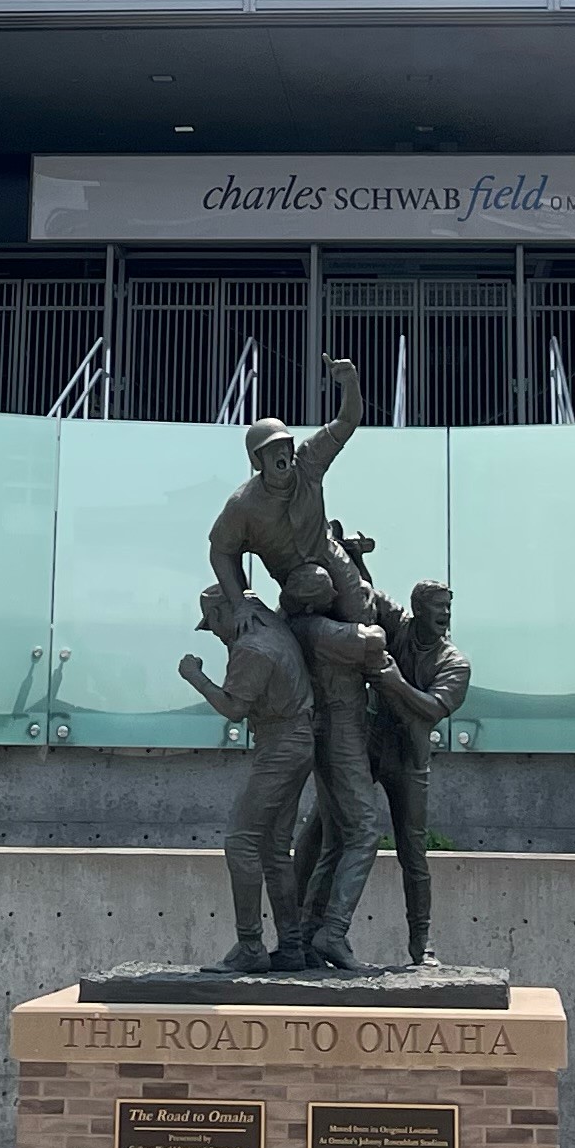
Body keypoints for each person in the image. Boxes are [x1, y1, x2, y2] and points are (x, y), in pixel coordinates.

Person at [289, 579, 472, 963]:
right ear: (418, 608)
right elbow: (363, 591)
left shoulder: (454, 662)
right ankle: (305, 933)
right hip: (367, 747)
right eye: (438, 606)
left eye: (448, 608)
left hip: (409, 759)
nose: (445, 615)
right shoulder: (400, 627)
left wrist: (395, 683)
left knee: (413, 853)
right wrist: (349, 553)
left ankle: (420, 944)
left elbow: (432, 710)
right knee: (326, 832)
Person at [175, 579, 314, 971]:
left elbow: (234, 708)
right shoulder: (271, 628)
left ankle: (251, 947)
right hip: (295, 742)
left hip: (282, 747)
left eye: (212, 623)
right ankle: (291, 947)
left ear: (223, 613)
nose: (215, 633)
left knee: (241, 842)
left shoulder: (252, 647)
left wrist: (195, 677)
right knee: (273, 850)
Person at [273, 560, 396, 970]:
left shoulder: (303, 624)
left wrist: (358, 564)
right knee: (365, 832)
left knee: (334, 839)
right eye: (327, 593)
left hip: (331, 732)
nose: (335, 597)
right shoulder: (317, 630)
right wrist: (358, 589)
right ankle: (334, 931)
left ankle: (308, 933)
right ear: (311, 603)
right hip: (340, 734)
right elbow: (373, 636)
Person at [207, 354, 365, 608]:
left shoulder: (309, 462)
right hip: (295, 577)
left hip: (328, 551)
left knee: (360, 608)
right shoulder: (243, 505)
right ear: (258, 460)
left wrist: (350, 382)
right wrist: (241, 604)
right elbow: (221, 551)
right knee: (318, 586)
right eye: (271, 449)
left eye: (284, 446)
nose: (281, 453)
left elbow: (347, 421)